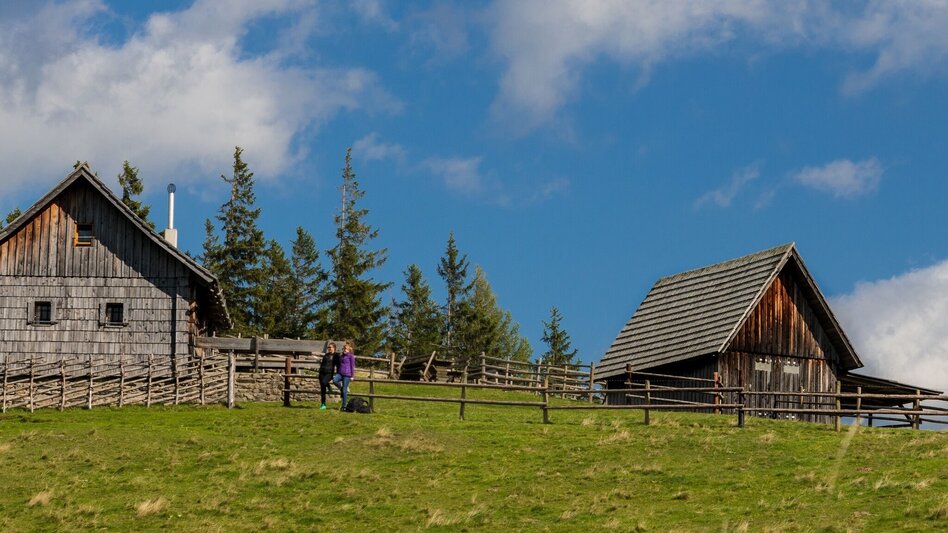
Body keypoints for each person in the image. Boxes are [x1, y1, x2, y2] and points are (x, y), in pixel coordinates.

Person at [333, 341, 356, 410]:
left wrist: (352, 376)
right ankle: (342, 388)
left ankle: (344, 406)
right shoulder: (341, 356)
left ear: (349, 350)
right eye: (344, 348)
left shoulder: (351, 356)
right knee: (335, 380)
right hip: (340, 373)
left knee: (344, 391)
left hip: (347, 374)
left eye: (346, 349)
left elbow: (352, 366)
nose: (344, 350)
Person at [318, 342, 339, 410]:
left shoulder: (336, 356)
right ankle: (323, 404)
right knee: (322, 390)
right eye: (328, 347)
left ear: (334, 348)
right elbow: (322, 364)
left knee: (324, 383)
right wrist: (320, 372)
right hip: (322, 373)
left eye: (330, 347)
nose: (329, 348)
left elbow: (338, 365)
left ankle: (328, 385)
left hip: (329, 373)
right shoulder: (326, 355)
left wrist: (338, 374)